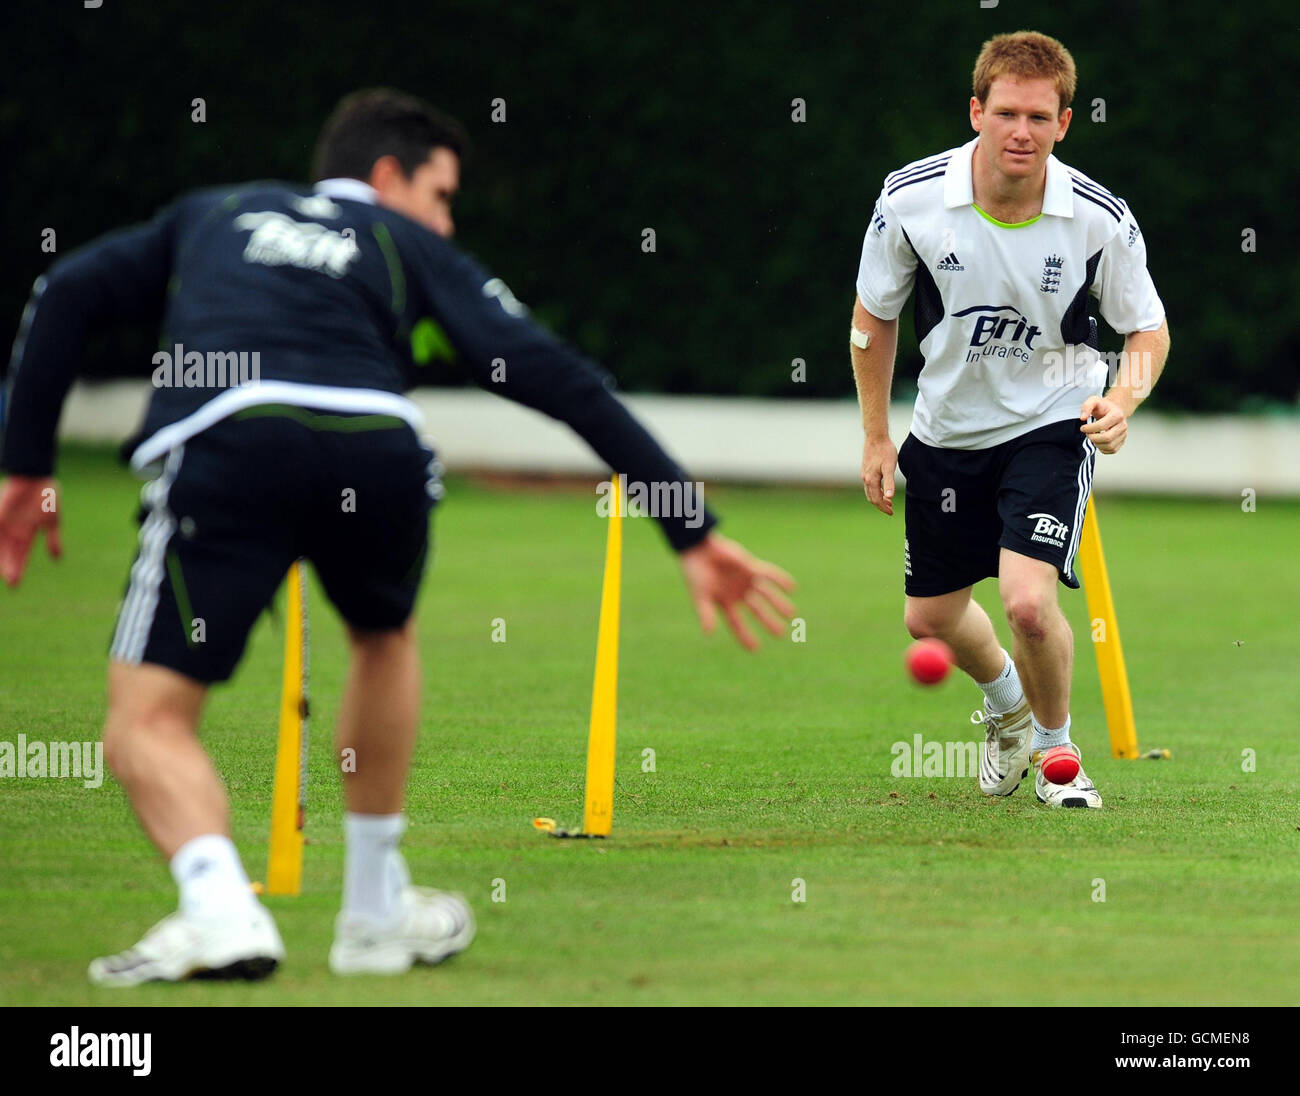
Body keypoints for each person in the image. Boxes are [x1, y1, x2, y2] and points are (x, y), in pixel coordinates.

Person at [0, 88, 796, 985]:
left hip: (233, 442)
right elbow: (555, 374)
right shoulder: (404, 244)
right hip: (376, 451)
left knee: (146, 718)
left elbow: (61, 291)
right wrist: (688, 526)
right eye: (442, 196)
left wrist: (26, 466)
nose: (447, 223)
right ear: (387, 177)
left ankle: (220, 906)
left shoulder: (215, 212)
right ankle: (375, 910)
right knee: (383, 637)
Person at [851, 31, 1169, 808]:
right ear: (976, 112)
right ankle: (1008, 711)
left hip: (1053, 420)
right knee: (929, 617)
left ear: (1065, 122)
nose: (1020, 131)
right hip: (948, 429)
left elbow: (1148, 331)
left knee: (1027, 602)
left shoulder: (1098, 217)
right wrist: (876, 435)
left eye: (1038, 115)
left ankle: (1060, 759)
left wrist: (1118, 403)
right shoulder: (911, 199)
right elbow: (872, 318)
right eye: (1004, 113)